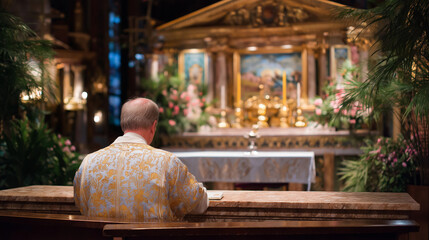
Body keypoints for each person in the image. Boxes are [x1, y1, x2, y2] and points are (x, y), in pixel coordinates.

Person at [73, 98, 208, 221]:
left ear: (123, 125)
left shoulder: (88, 162)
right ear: (153, 126)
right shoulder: (167, 162)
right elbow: (196, 203)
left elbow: (82, 205)